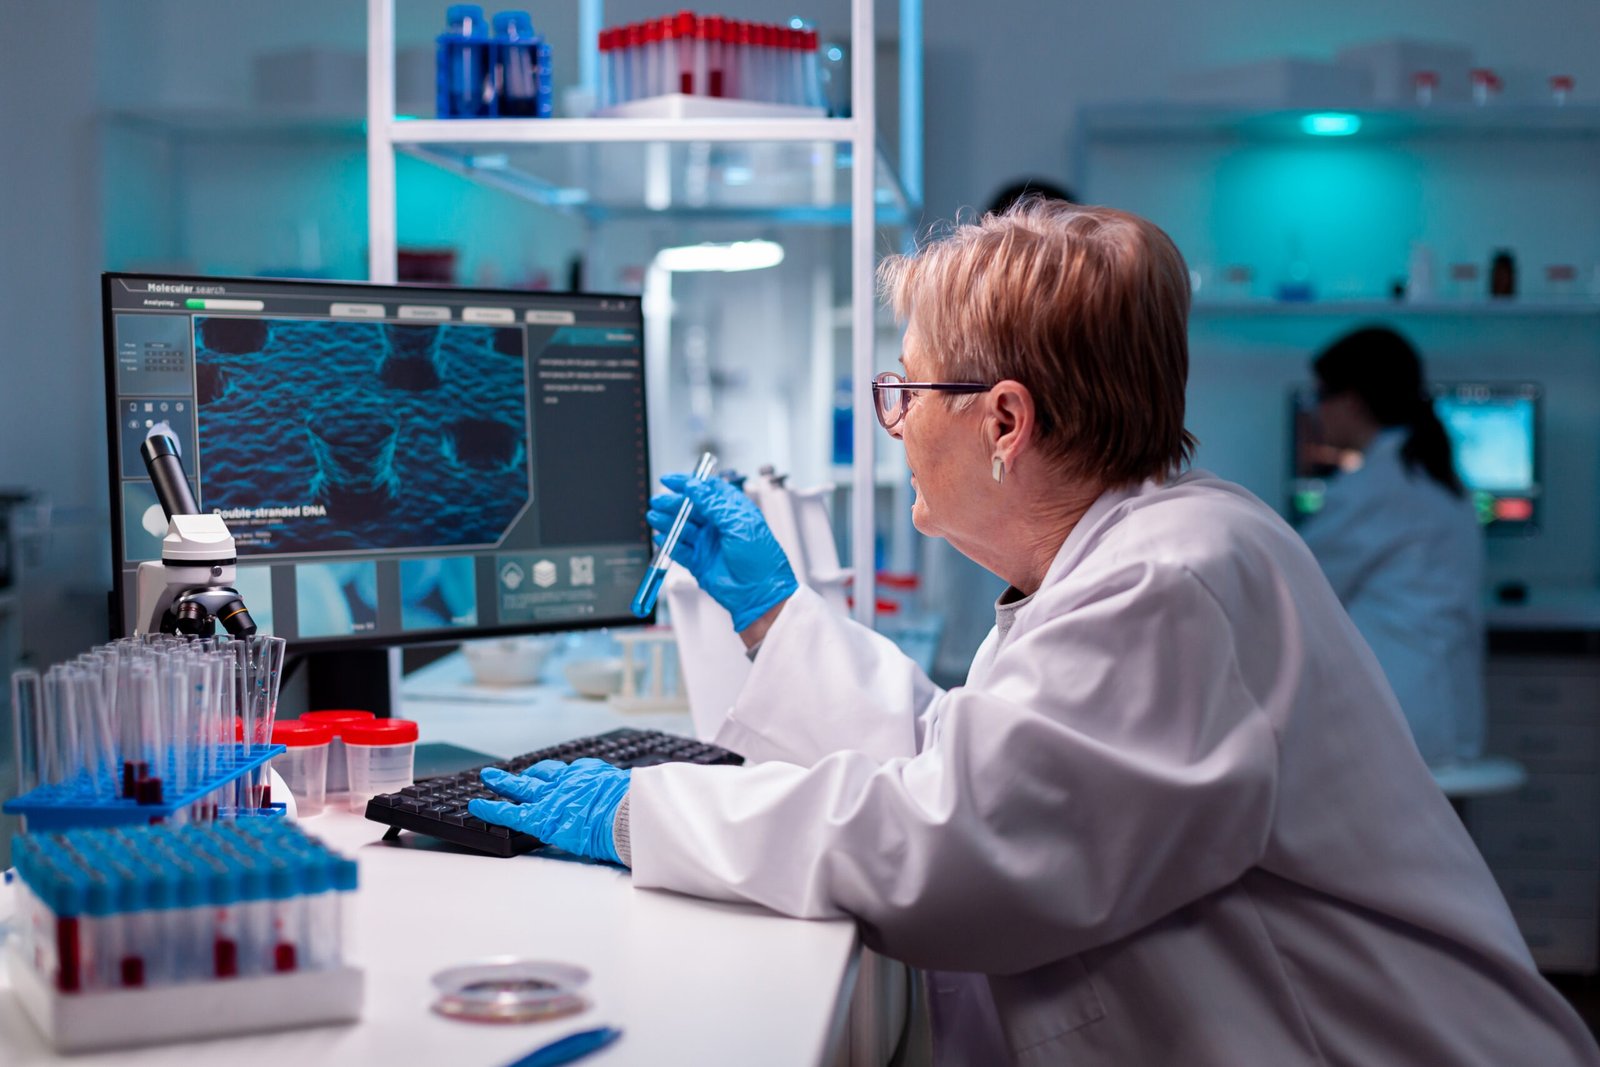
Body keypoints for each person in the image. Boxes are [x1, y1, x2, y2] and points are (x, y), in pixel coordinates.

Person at [468, 203, 1599, 1066]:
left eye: (903, 388)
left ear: (1003, 419)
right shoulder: (1124, 561)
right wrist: (774, 615)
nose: (896, 419)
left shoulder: (1171, 578)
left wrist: (642, 812)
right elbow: (971, 763)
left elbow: (961, 846)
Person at [1298, 327, 1486, 768]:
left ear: (1353, 401)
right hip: (1441, 708)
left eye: (1321, 395)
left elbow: (1300, 585)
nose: (1317, 411)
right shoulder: (1433, 476)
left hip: (1403, 715)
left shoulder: (1374, 487)